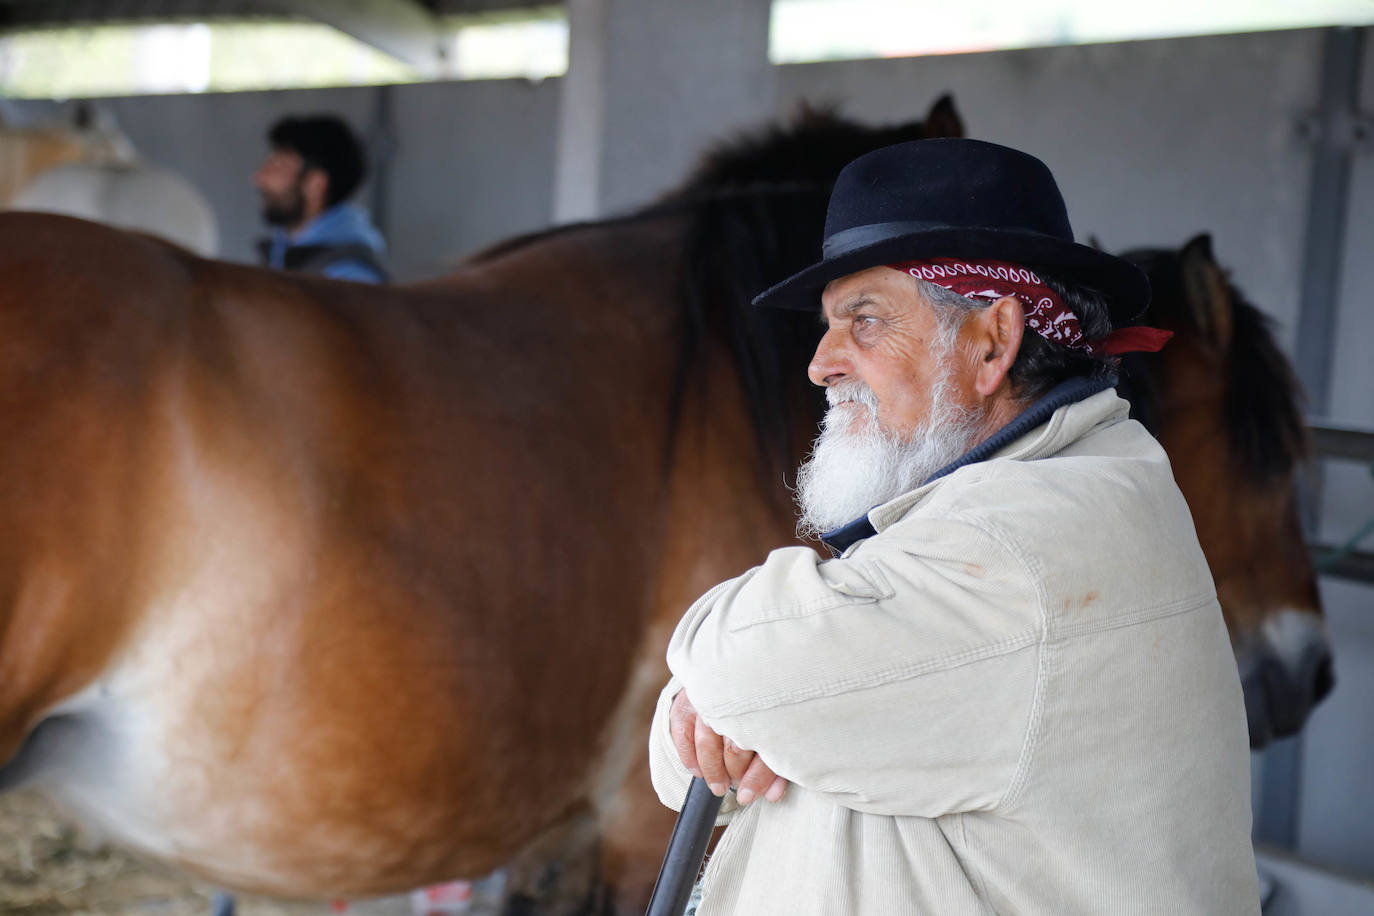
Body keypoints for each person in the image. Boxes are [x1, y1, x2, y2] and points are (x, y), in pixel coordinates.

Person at [648, 138, 1260, 914]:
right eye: (830, 324)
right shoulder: (1065, 480)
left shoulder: (1025, 542)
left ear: (993, 343)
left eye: (864, 320)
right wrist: (704, 709)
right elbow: (684, 767)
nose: (821, 362)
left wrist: (721, 687)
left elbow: (733, 667)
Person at [254, 114, 389, 283]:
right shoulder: (284, 253)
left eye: (278, 166)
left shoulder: (350, 277)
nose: (260, 178)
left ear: (315, 184)